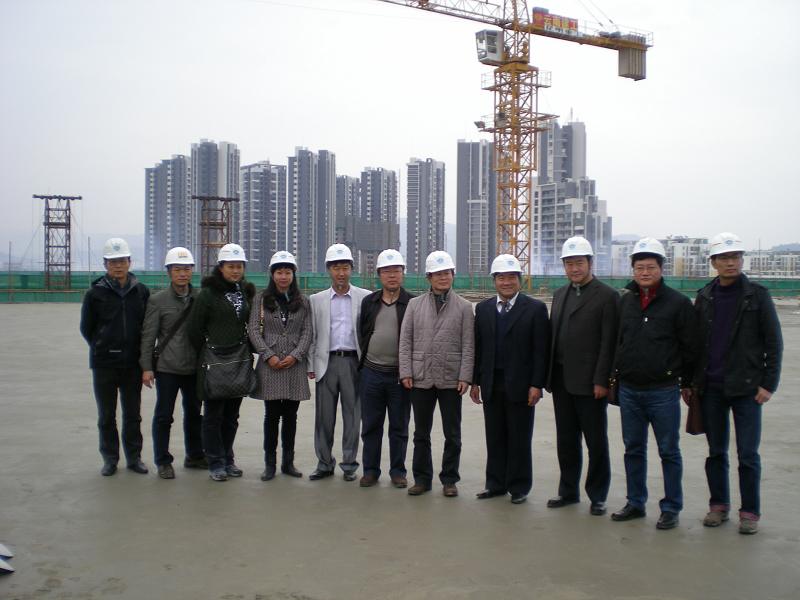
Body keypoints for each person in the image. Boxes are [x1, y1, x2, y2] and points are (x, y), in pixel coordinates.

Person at [692, 232, 783, 535]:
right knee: (716, 452)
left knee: (748, 454)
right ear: (714, 262)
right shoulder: (705, 296)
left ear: (742, 260)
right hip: (712, 389)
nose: (730, 262)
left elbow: (774, 342)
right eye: (724, 258)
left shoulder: (757, 296)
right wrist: (692, 383)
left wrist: (768, 384)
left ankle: (750, 512)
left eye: (735, 257)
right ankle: (718, 506)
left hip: (747, 389)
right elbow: (696, 344)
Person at [610, 237, 696, 530]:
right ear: (633, 270)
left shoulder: (678, 303)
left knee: (668, 451)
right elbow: (618, 341)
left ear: (661, 268)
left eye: (650, 267)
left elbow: (690, 347)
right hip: (630, 390)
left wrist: (687, 382)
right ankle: (635, 502)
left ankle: (671, 507)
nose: (645, 272)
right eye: (640, 267)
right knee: (633, 449)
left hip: (663, 391)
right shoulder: (625, 302)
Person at [545, 237, 619, 515]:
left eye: (579, 263)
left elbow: (609, 342)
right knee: (566, 440)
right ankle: (568, 491)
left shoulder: (607, 296)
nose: (574, 269)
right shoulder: (560, 294)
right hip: (561, 380)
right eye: (569, 264)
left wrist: (602, 380)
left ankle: (597, 495)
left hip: (590, 383)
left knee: (595, 441)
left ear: (590, 263)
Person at [471, 254, 549, 504]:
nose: (506, 282)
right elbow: (478, 348)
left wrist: (536, 384)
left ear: (519, 280)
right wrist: (475, 381)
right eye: (501, 278)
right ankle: (495, 484)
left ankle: (519, 486)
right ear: (494, 280)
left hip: (521, 385)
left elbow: (541, 351)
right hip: (492, 383)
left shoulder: (535, 309)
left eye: (511, 277)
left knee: (519, 437)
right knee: (494, 436)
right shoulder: (483, 309)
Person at [399, 250, 474, 498]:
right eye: (437, 274)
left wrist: (465, 376)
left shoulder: (464, 307)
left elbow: (469, 345)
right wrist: (406, 371)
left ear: (453, 275)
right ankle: (422, 479)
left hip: (451, 378)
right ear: (429, 278)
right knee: (421, 433)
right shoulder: (414, 305)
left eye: (447, 273)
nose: (443, 277)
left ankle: (450, 479)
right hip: (421, 377)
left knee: (452, 433)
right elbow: (405, 341)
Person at [80, 237, 150, 476]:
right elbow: (87, 328)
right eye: (112, 262)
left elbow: (146, 326)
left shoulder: (141, 292)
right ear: (105, 264)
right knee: (106, 415)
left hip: (132, 364)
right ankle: (110, 459)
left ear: (129, 262)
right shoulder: (95, 293)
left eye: (121, 261)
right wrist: (102, 345)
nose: (118, 266)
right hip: (104, 364)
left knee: (133, 415)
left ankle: (134, 458)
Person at [186, 243, 255, 482]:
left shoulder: (245, 291)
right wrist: (210, 349)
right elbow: (194, 329)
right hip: (214, 361)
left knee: (231, 416)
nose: (235, 271)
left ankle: (228, 458)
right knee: (213, 415)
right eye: (231, 266)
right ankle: (215, 461)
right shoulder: (208, 294)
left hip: (238, 360)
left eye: (239, 266)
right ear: (221, 267)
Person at [140, 247, 205, 479]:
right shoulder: (157, 301)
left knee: (194, 414)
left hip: (194, 367)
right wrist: (147, 367)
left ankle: (195, 455)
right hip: (167, 368)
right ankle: (163, 461)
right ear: (169, 272)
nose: (182, 274)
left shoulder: (200, 297)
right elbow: (148, 336)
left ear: (192, 271)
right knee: (164, 416)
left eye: (186, 269)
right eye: (177, 269)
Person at [307, 244, 371, 481]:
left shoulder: (365, 297)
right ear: (329, 270)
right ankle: (324, 463)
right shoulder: (317, 300)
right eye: (336, 268)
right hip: (327, 362)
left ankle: (349, 464)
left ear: (352, 269)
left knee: (353, 417)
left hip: (354, 362)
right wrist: (311, 365)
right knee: (324, 418)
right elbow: (312, 334)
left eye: (345, 267)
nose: (341, 273)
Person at [248, 251, 312, 482]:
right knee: (272, 416)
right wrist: (268, 355)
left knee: (291, 416)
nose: (283, 277)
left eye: (287, 272)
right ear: (272, 274)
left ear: (293, 274)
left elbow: (307, 331)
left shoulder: (303, 300)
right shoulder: (261, 299)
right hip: (271, 365)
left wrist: (296, 355)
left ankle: (288, 462)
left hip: (294, 365)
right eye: (279, 272)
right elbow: (253, 330)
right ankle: (270, 464)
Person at [357, 249, 415, 488]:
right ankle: (370, 471)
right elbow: (362, 332)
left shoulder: (412, 303)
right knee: (371, 425)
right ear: (379, 274)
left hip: (399, 376)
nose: (392, 275)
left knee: (399, 427)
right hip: (371, 373)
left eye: (396, 271)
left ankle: (398, 471)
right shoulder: (369, 302)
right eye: (387, 271)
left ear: (403, 273)